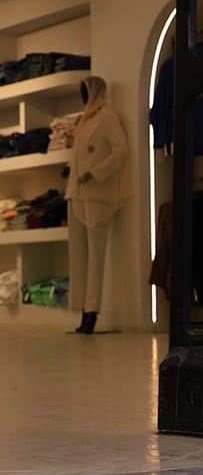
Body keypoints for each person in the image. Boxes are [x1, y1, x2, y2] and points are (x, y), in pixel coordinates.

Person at [65, 76, 130, 334]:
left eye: (86, 91)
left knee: (96, 256)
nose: (83, 96)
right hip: (76, 193)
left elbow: (120, 151)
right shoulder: (84, 121)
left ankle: (91, 312)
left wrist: (96, 172)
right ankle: (82, 308)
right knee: (78, 256)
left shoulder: (107, 117)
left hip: (97, 195)